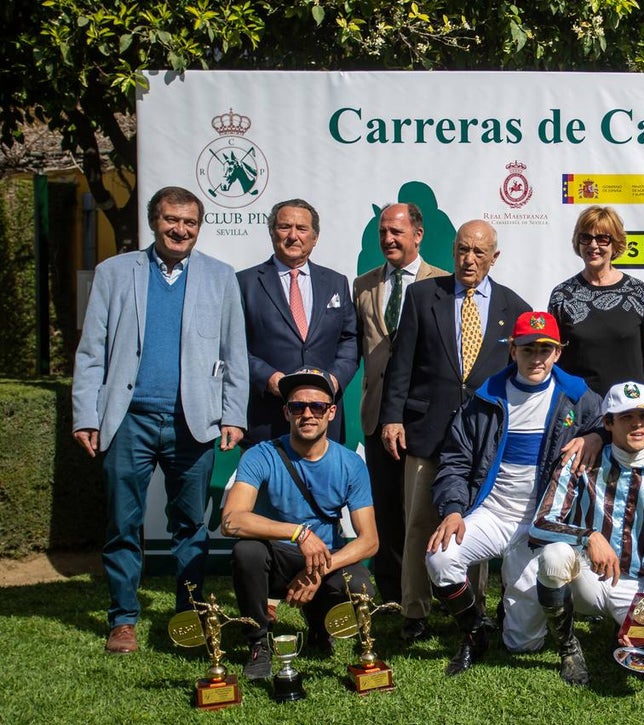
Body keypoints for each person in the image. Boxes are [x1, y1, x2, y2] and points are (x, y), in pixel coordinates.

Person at [72, 186, 248, 653]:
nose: (180, 230)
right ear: (154, 221)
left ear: (199, 227)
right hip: (127, 418)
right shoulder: (114, 272)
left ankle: (188, 615)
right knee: (122, 522)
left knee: (191, 524)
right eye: (172, 219)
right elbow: (91, 351)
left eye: (190, 222)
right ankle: (123, 619)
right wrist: (86, 415)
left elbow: (234, 354)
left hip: (194, 422)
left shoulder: (219, 276)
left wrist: (233, 414)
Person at [425, 311, 602, 675]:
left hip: (543, 521)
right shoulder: (486, 397)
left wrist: (595, 435)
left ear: (558, 353)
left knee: (523, 644)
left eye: (545, 349)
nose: (536, 358)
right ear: (512, 350)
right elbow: (455, 460)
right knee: (440, 559)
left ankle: (518, 614)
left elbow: (610, 424)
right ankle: (474, 633)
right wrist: (454, 510)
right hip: (492, 513)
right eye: (527, 349)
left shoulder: (578, 396)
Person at [381, 219, 531, 641]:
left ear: (494, 257)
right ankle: (415, 611)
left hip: (483, 442)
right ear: (453, 251)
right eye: (463, 250)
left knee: (475, 524)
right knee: (418, 526)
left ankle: (473, 609)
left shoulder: (515, 308)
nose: (469, 259)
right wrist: (393, 416)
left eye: (479, 253)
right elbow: (401, 364)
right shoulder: (423, 295)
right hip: (426, 432)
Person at [531, 382, 644, 688]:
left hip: (635, 584)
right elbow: (540, 523)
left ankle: (625, 629)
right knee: (554, 556)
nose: (637, 424)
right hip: (586, 581)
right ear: (608, 422)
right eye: (626, 417)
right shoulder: (583, 463)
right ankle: (568, 648)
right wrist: (588, 536)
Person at [221, 367, 379, 679]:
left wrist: (319, 572)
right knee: (247, 552)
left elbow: (370, 540)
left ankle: (320, 629)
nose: (307, 414)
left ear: (331, 412)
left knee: (361, 586)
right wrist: (297, 532)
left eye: (317, 406)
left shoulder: (350, 464)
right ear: (286, 412)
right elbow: (231, 520)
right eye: (298, 407)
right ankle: (258, 643)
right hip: (277, 558)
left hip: (323, 560)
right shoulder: (260, 455)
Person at [354, 202, 449, 606]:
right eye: (383, 233)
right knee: (388, 512)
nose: (388, 240)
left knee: (428, 511)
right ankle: (393, 596)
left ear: (418, 235)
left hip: (426, 417)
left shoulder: (444, 283)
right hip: (379, 414)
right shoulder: (363, 285)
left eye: (396, 231)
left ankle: (438, 591)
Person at [237, 199, 359, 444]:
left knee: (324, 483)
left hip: (323, 416)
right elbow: (233, 346)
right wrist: (268, 378)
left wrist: (333, 380)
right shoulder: (244, 283)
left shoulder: (336, 282)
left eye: (302, 229)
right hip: (268, 418)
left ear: (314, 237)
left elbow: (350, 340)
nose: (293, 235)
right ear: (272, 233)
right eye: (284, 227)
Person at [547, 206, 644, 395]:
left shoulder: (637, 292)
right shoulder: (562, 295)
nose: (593, 245)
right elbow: (554, 354)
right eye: (586, 237)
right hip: (579, 410)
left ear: (615, 243)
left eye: (602, 238)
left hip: (628, 409)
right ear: (578, 242)